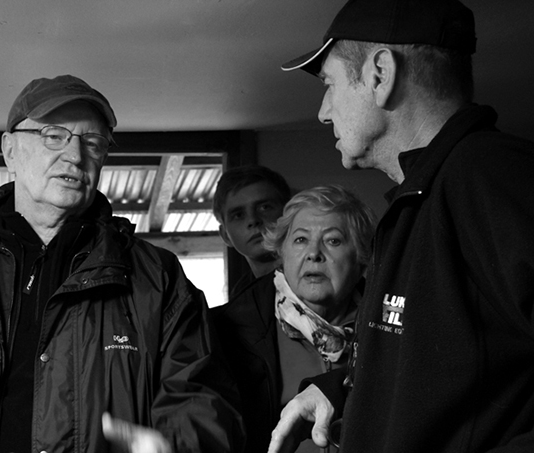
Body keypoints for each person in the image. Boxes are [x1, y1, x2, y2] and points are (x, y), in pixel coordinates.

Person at [0, 75, 244, 453]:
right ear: (10, 151)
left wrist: (175, 446)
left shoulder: (158, 278)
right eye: (53, 136)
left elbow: (203, 404)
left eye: (92, 142)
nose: (75, 156)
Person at [270, 0, 534, 452]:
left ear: (380, 74)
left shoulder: (492, 177)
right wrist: (341, 392)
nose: (323, 111)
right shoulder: (417, 200)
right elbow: (442, 368)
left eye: (329, 85)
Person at [213, 185, 376, 453]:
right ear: (281, 252)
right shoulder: (228, 331)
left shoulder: (391, 328)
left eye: (333, 241)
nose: (314, 253)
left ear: (361, 257)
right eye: (300, 239)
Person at [213, 164, 291, 296]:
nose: (253, 220)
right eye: (238, 215)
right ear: (225, 235)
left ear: (289, 214)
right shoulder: (240, 297)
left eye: (265, 207)